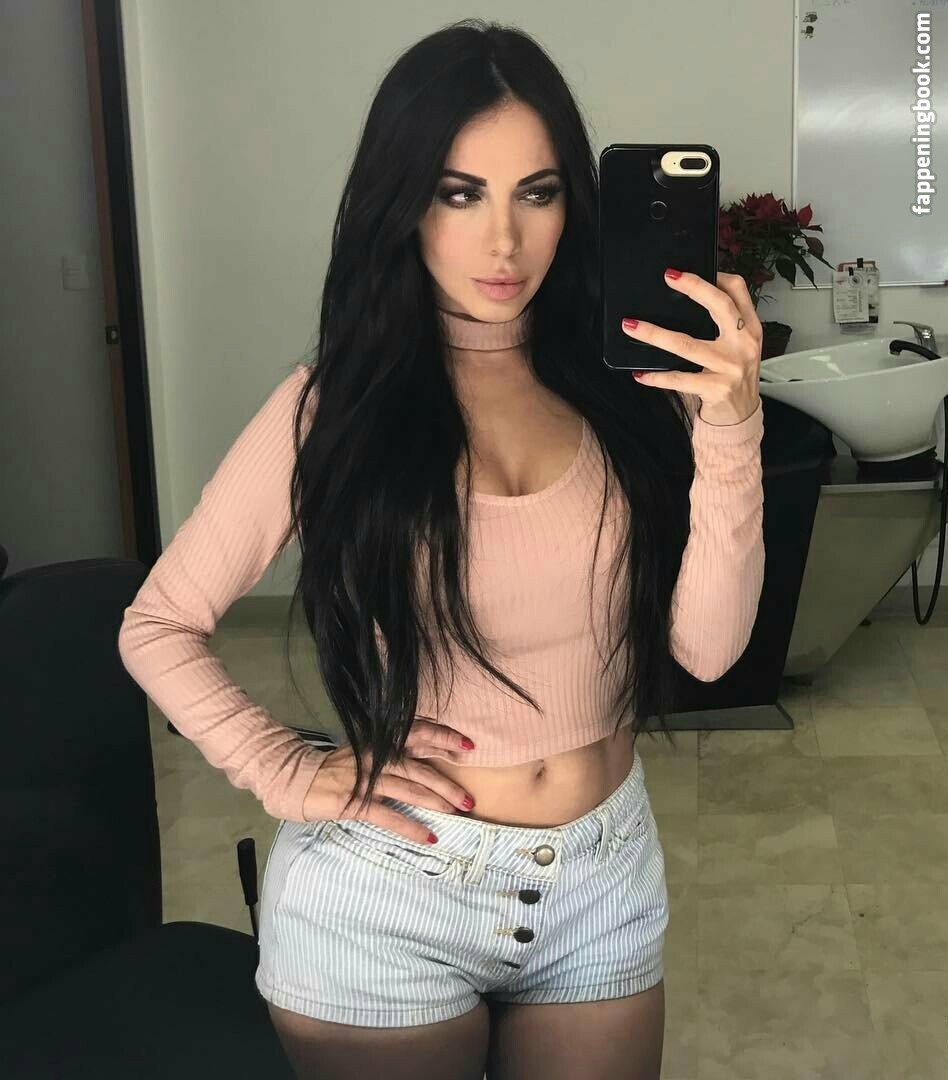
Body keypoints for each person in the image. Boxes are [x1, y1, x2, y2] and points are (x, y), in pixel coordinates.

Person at [118, 18, 764, 1080]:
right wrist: (285, 770)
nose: (503, 242)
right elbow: (158, 624)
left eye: (536, 193)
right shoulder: (335, 406)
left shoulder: (630, 395)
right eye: (460, 194)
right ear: (403, 201)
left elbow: (708, 650)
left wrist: (732, 427)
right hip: (391, 893)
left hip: (602, 878)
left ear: (575, 204)